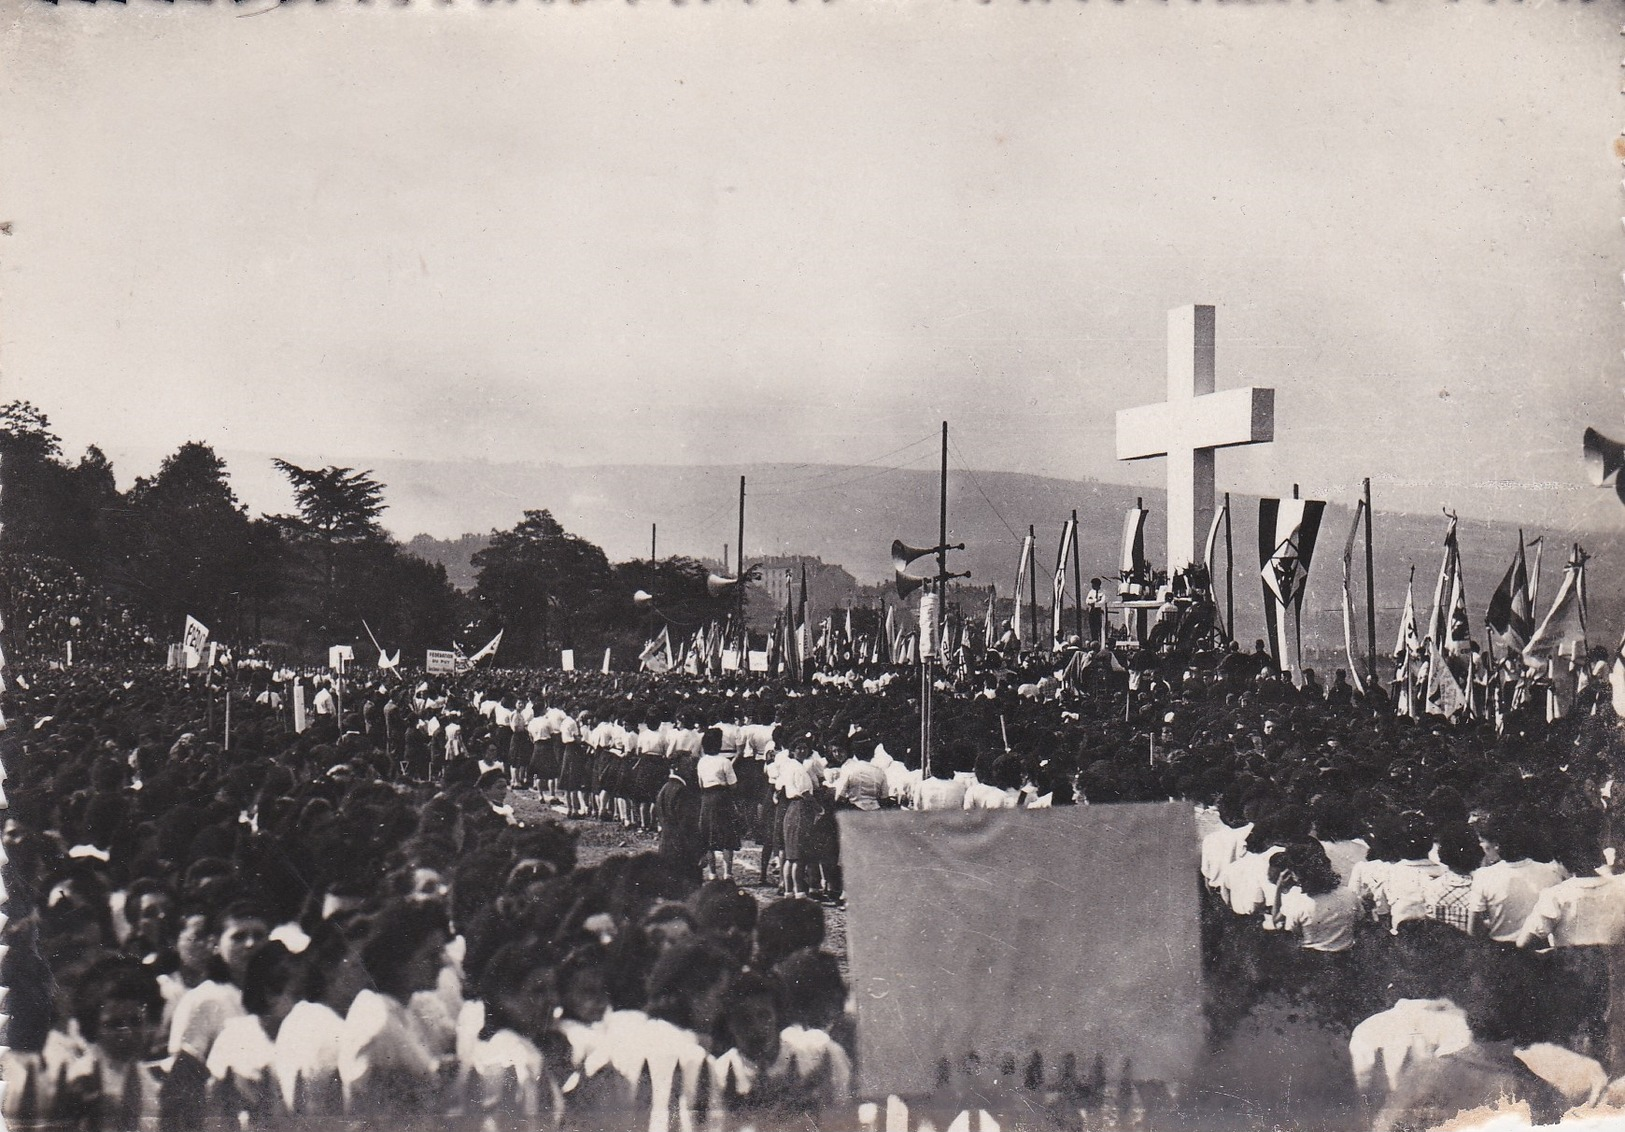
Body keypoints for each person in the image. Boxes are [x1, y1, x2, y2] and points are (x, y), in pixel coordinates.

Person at [695, 727, 742, 882]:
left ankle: (712, 873)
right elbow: (733, 784)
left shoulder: (701, 762)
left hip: (707, 798)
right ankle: (728, 873)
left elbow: (700, 784)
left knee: (708, 835)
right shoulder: (725, 762)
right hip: (722, 798)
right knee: (727, 835)